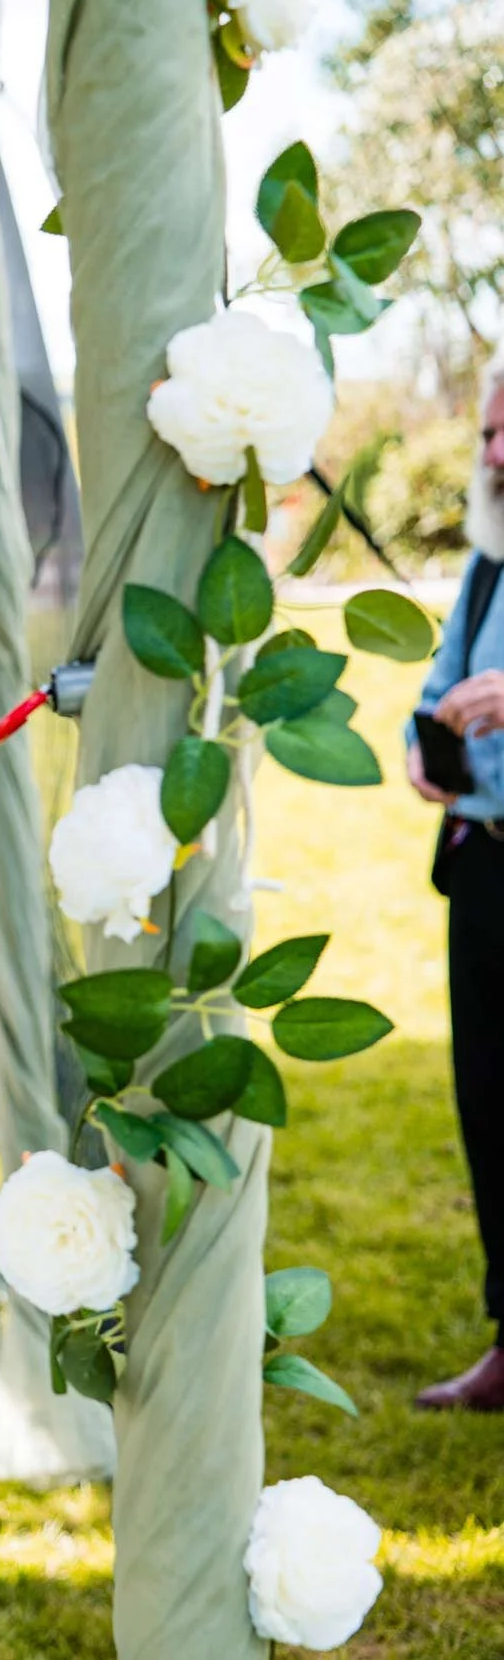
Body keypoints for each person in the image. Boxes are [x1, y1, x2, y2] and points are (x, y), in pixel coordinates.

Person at [410, 350, 504, 1411]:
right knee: (492, 1105)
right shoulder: (487, 562)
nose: (492, 452)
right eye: (484, 432)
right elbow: (436, 686)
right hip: (482, 872)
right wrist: (418, 736)